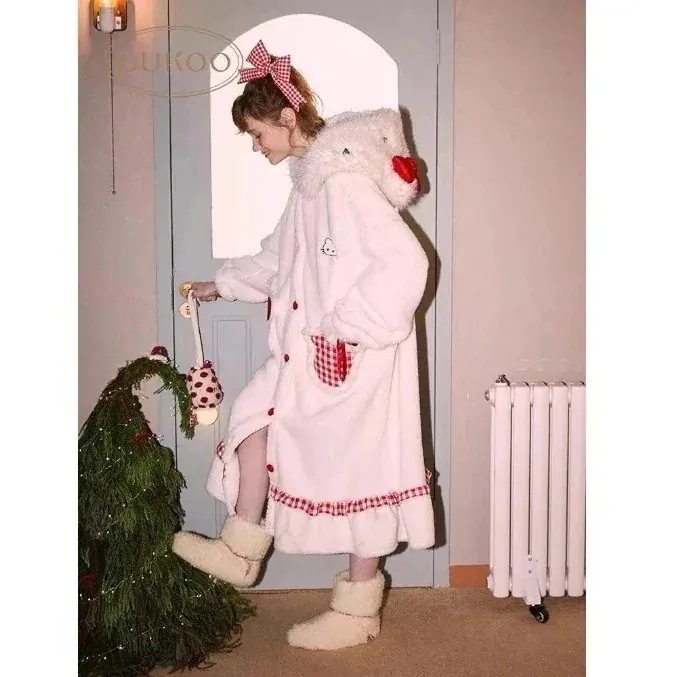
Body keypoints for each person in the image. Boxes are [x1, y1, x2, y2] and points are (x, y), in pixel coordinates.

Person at [173, 39, 435, 651]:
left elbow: (406, 264)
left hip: (354, 360)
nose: (255, 145)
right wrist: (219, 285)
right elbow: (279, 259)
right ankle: (241, 547)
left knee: (362, 474)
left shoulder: (342, 184)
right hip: (307, 357)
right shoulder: (310, 186)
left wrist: (345, 330)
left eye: (256, 132)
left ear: (287, 117)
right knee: (253, 421)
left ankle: (356, 611)